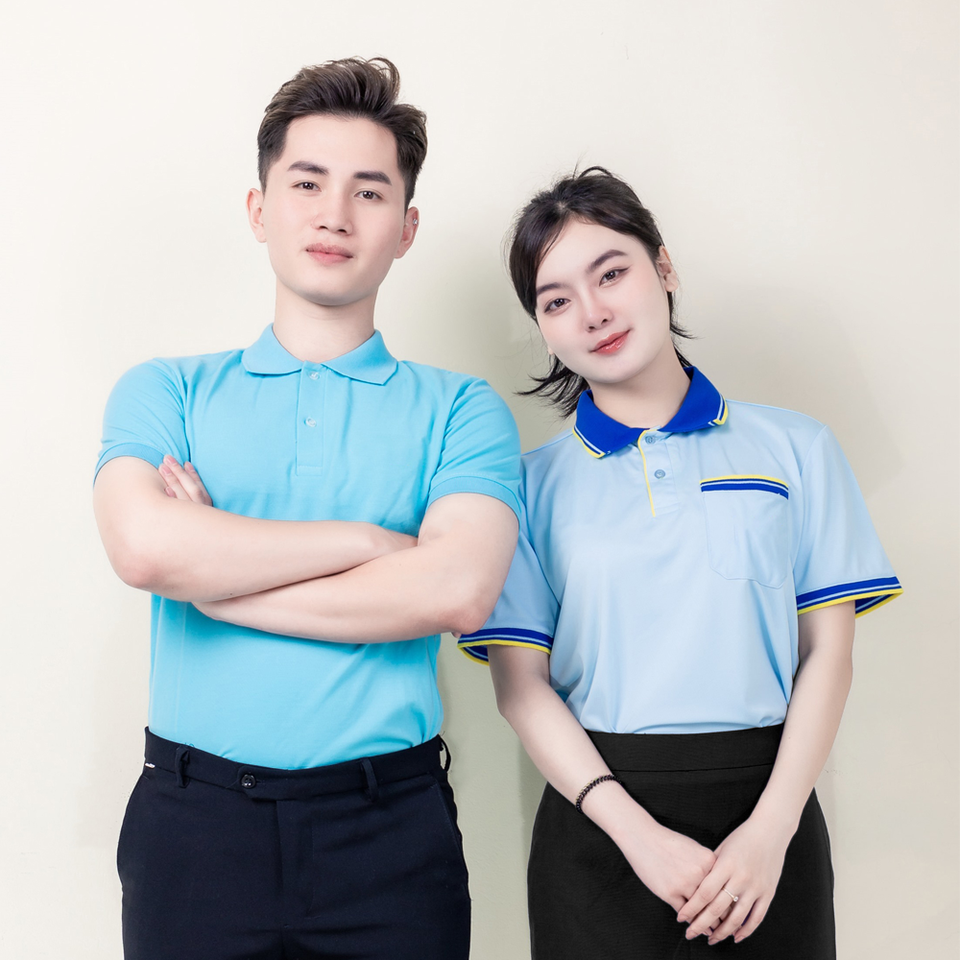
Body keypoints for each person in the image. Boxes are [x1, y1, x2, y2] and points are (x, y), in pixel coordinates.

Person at [93, 57, 520, 960]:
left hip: (389, 831)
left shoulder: (462, 408)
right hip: (195, 827)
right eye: (307, 183)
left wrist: (221, 587)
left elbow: (458, 590)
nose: (335, 214)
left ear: (405, 229)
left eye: (369, 191)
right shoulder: (166, 391)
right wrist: (369, 543)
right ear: (260, 210)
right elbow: (144, 547)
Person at [458, 167, 902, 959]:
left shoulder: (797, 449)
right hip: (600, 830)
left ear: (664, 268)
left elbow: (829, 656)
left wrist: (770, 831)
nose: (592, 312)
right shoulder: (524, 487)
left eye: (611, 274)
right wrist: (639, 837)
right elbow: (521, 689)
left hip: (768, 825)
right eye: (557, 301)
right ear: (544, 329)